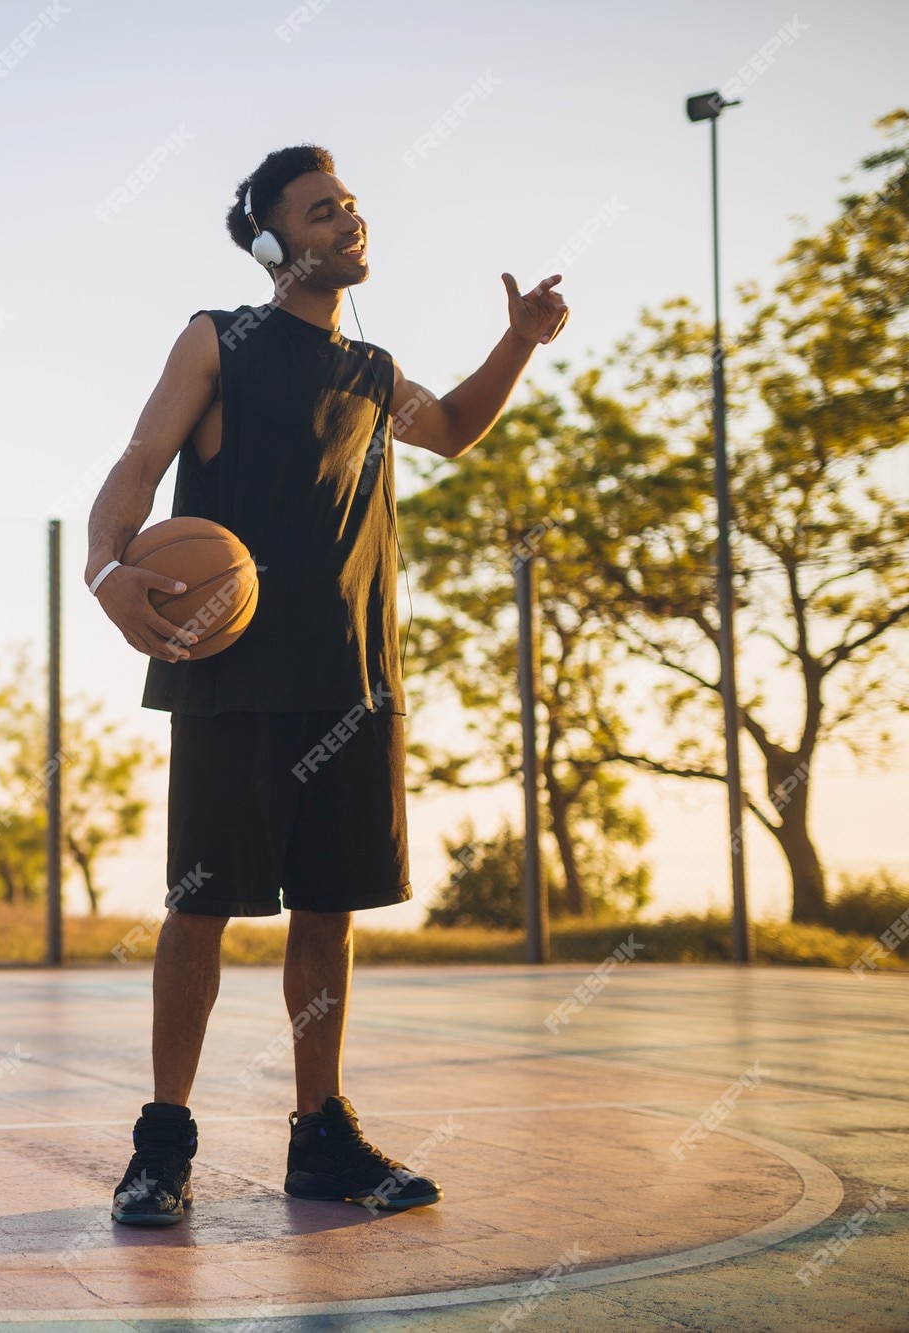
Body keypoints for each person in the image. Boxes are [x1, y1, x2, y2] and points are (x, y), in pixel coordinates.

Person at [84, 143, 568, 1224]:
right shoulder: (220, 339)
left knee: (328, 910)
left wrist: (516, 343)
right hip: (231, 674)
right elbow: (135, 461)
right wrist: (106, 566)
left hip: (353, 677)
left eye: (349, 204)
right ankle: (163, 1141)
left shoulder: (372, 369)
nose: (346, 220)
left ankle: (321, 1137)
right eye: (318, 211)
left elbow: (451, 432)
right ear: (269, 241)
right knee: (200, 905)